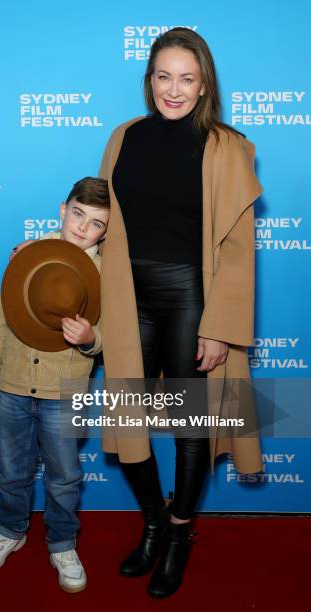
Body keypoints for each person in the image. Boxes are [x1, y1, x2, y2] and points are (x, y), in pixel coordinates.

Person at [98, 28, 263, 599]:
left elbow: (239, 249)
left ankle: (178, 533)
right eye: (163, 76)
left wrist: (218, 325)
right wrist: (49, 251)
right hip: (126, 295)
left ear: (203, 85)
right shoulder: (124, 137)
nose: (174, 89)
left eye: (186, 78)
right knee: (127, 414)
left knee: (194, 425)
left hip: (192, 295)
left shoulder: (227, 147)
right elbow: (97, 221)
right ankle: (151, 522)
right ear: (149, 80)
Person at [0, 177, 110, 594]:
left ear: (108, 231)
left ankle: (63, 542)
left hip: (65, 391)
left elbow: (110, 333)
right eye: (78, 215)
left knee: (64, 476)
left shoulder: (106, 275)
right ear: (62, 209)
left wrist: (90, 339)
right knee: (12, 472)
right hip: (13, 384)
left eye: (97, 224)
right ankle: (10, 530)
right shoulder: (27, 256)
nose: (83, 229)